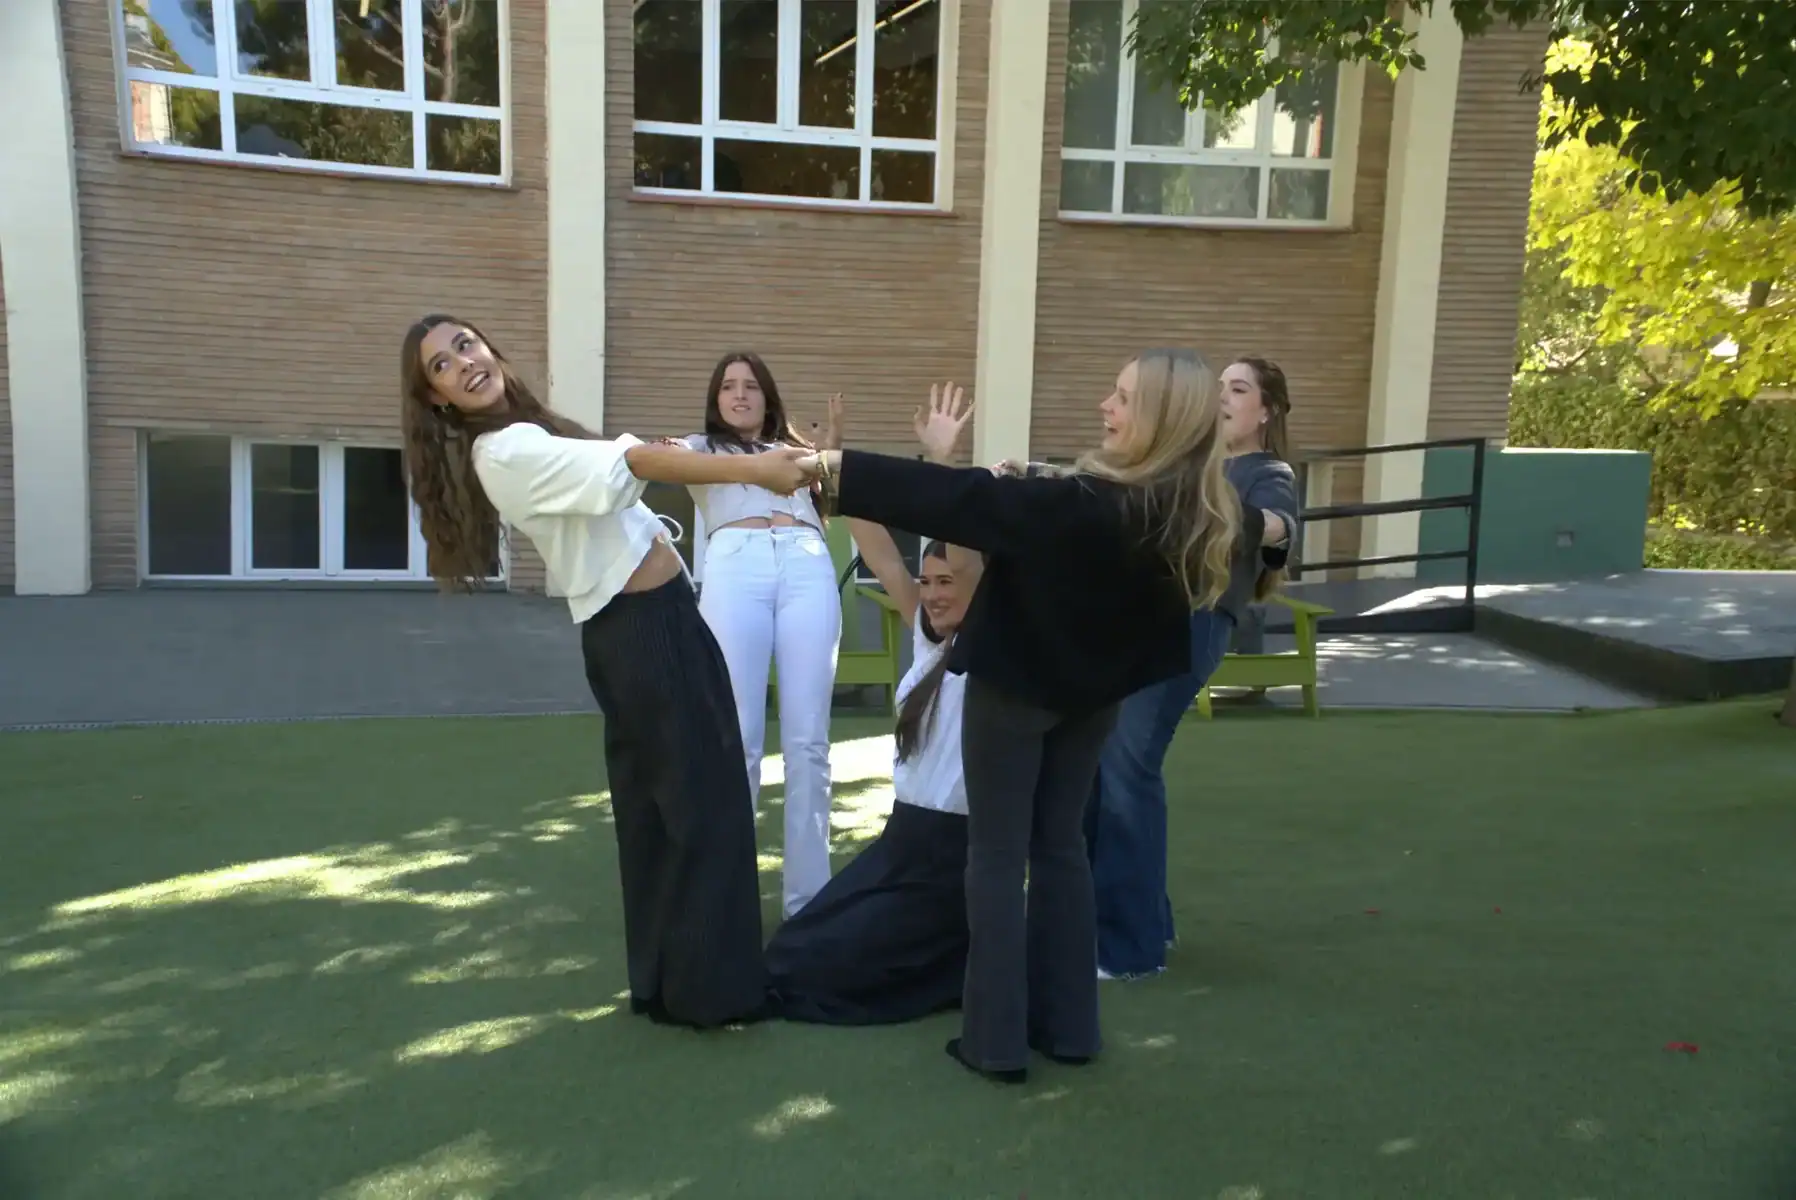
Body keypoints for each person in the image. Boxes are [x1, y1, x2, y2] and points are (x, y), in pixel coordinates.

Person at [801, 352, 1260, 1083]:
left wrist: (831, 467)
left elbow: (960, 500)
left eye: (1122, 397)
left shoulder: (1081, 501)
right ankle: (1071, 1029)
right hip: (1092, 701)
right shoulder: (1183, 509)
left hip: (1016, 693)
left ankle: (994, 1042)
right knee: (1061, 849)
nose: (1105, 406)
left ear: (1158, 418)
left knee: (996, 854)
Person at [400, 314, 813, 1030]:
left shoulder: (527, 435)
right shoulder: (507, 450)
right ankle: (716, 996)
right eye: (441, 365)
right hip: (646, 630)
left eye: (465, 344)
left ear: (489, 347)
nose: (463, 363)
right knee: (705, 805)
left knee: (658, 817)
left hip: (638, 629)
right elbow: (632, 467)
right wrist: (755, 468)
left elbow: (626, 472)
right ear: (437, 398)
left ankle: (667, 986)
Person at [765, 388, 980, 1025]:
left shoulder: (993, 647)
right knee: (792, 948)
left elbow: (965, 545)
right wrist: (835, 457)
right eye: (928, 581)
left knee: (825, 972)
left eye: (948, 582)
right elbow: (879, 549)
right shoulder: (928, 636)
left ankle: (954, 960)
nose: (932, 593)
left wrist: (944, 462)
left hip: (950, 860)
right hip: (900, 843)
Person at [1084, 355, 1299, 979]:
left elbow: (1280, 531)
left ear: (1267, 410)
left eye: (1240, 389)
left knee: (1127, 766)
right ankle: (1146, 924)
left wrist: (1220, 512)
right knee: (1105, 767)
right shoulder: (1194, 465)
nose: (1223, 398)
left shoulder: (1266, 472)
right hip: (1145, 624)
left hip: (1196, 623)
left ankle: (1130, 950)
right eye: (1219, 388)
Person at [680, 352, 840, 919]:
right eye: (728, 386)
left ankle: (809, 906)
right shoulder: (697, 448)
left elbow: (834, 507)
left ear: (768, 396)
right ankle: (729, 906)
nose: (740, 394)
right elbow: (650, 463)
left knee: (809, 742)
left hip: (806, 563)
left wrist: (830, 452)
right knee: (738, 737)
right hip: (735, 564)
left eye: (751, 385)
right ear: (716, 398)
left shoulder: (798, 452)